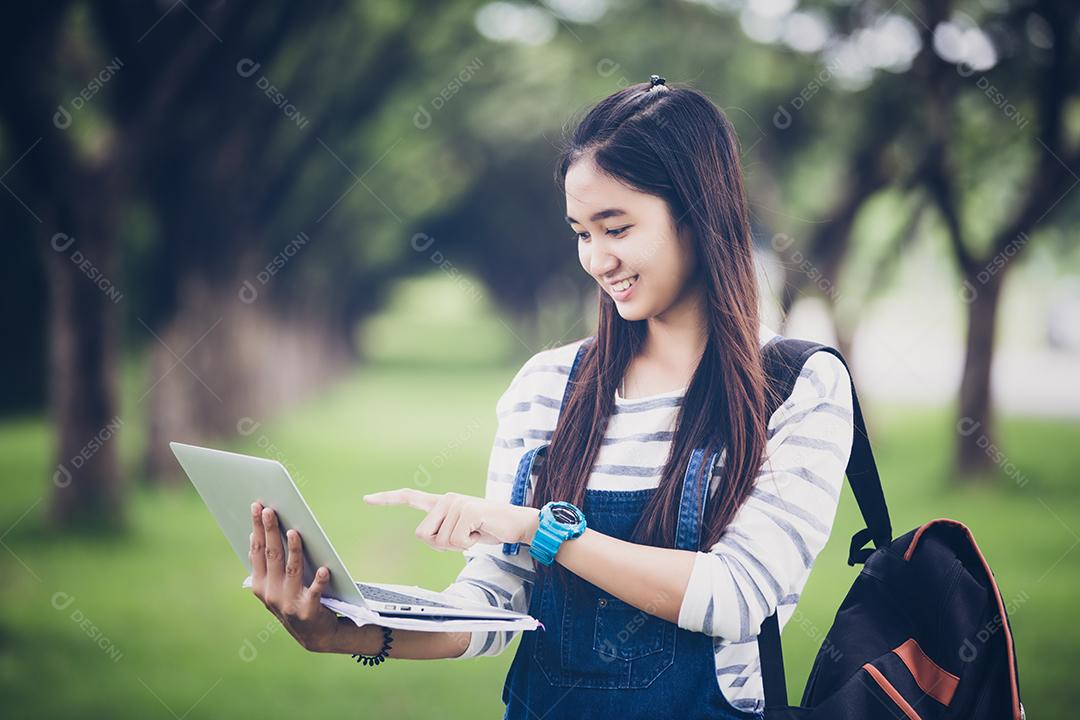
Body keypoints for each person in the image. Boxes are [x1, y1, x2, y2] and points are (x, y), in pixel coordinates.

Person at [248, 75, 855, 720]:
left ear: (698, 212)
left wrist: (540, 530)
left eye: (615, 228)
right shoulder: (548, 385)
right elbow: (496, 603)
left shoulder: (795, 387)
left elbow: (736, 597)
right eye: (581, 233)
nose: (595, 259)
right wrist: (355, 630)